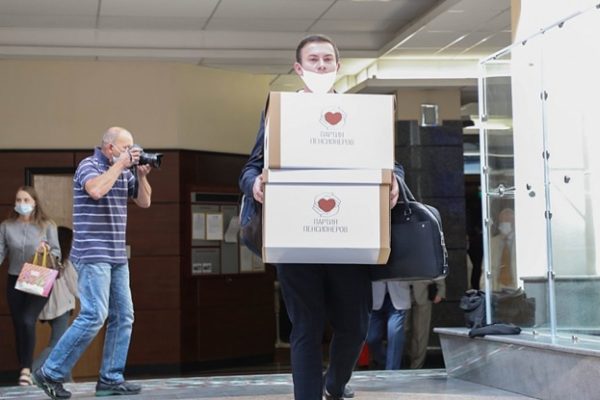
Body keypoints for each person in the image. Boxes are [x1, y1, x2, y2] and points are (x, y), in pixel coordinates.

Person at [239, 34, 404, 400]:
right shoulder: (279, 114)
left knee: (355, 326)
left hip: (350, 239)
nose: (321, 65)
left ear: (338, 66)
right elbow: (250, 168)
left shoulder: (358, 114)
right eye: (313, 60)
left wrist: (395, 180)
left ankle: (335, 384)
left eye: (328, 59)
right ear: (298, 68)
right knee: (306, 327)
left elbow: (389, 163)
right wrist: (255, 184)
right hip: (295, 239)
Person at [33, 127, 153, 400]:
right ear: (109, 148)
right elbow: (96, 190)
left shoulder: (125, 171)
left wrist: (141, 176)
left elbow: (144, 202)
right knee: (94, 314)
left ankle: (110, 378)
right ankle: (49, 372)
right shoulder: (88, 166)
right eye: (126, 148)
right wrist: (121, 166)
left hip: (116, 256)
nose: (131, 153)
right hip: (92, 254)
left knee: (124, 316)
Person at [0, 186, 60, 387]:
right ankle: (23, 367)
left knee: (27, 320)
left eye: (26, 200)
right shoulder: (7, 226)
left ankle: (26, 370)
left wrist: (47, 251)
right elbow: (0, 252)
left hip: (40, 277)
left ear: (35, 203)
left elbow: (57, 253)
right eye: (19, 200)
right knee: (19, 324)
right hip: (15, 279)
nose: (22, 204)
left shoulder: (47, 225)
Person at [33, 226, 79, 382]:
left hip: (46, 308)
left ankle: (67, 379)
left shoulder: (46, 260)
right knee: (58, 345)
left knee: (62, 344)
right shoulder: (65, 263)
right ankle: (32, 372)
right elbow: (75, 287)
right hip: (62, 307)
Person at [365, 281, 411, 370]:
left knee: (394, 334)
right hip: (374, 295)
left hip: (398, 295)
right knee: (371, 338)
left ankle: (391, 372)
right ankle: (387, 362)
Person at [406, 278, 446, 369]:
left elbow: (436, 270)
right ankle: (408, 357)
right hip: (401, 292)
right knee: (403, 330)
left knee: (420, 333)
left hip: (424, 292)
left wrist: (441, 291)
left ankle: (416, 366)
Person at [486, 208, 517, 291]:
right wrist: (485, 291)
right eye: (502, 221)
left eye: (507, 221)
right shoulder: (492, 243)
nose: (504, 224)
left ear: (514, 223)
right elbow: (486, 268)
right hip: (497, 287)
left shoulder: (520, 242)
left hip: (515, 286)